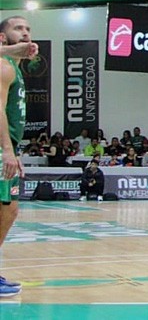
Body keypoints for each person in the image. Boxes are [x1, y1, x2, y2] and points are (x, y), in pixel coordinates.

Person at [0, 17, 35, 297]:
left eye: (27, 29)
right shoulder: (4, 66)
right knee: (7, 209)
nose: (24, 32)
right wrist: (8, 151)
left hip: (6, 146)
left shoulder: (15, 68)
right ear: (3, 38)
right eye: (17, 28)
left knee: (8, 210)